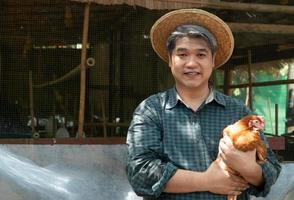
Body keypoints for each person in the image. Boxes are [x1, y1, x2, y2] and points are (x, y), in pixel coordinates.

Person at [126, 9, 281, 200]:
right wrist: (207, 181)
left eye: (201, 55)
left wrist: (246, 166)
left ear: (213, 60)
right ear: (170, 60)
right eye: (182, 54)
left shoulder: (238, 111)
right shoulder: (151, 110)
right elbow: (140, 173)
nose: (191, 63)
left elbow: (272, 170)